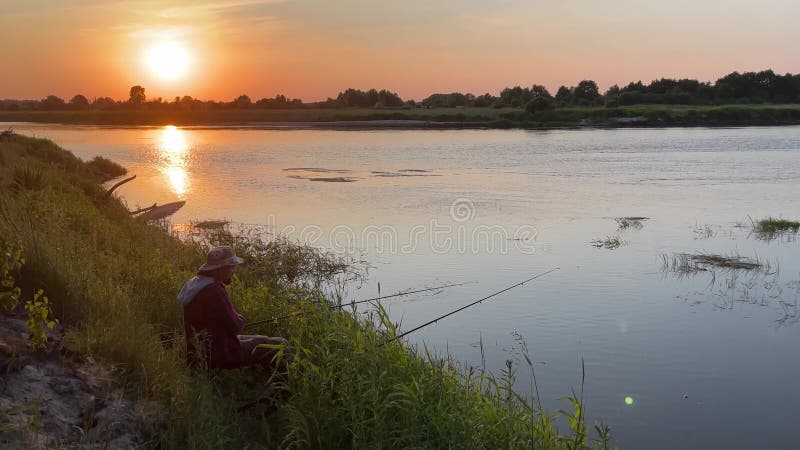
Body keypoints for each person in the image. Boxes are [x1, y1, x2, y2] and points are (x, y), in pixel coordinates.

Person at [177, 246, 287, 374]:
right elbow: (235, 326)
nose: (234, 270)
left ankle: (259, 382)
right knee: (281, 344)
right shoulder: (215, 291)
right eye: (231, 266)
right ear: (219, 269)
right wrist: (240, 319)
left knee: (260, 338)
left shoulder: (195, 285)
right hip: (220, 353)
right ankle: (281, 391)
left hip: (198, 352)